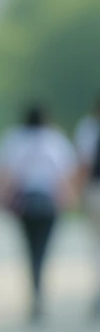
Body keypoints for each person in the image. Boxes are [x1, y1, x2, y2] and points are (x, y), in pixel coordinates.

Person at [0, 104, 77, 323]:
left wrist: (5, 198)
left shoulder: (14, 139)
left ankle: (35, 294)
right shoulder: (56, 139)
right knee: (43, 249)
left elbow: (9, 174)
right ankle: (39, 293)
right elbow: (64, 173)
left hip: (26, 203)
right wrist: (68, 199)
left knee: (30, 249)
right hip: (48, 203)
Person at [73, 92, 100, 319]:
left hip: (95, 192)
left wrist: (77, 192)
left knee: (96, 244)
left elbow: (84, 163)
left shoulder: (89, 128)